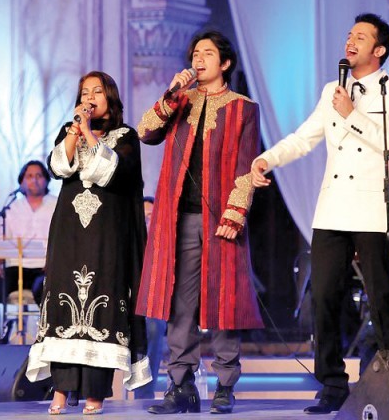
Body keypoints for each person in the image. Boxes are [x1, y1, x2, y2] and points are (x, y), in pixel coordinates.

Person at [250, 13, 389, 414]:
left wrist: (352, 115)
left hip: (373, 208)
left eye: (361, 36)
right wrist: (267, 159)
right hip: (333, 209)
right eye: (349, 35)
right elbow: (304, 137)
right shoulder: (333, 90)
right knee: (324, 297)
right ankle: (332, 384)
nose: (351, 41)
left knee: (381, 299)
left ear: (379, 50)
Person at [136, 30, 264, 415]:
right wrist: (171, 93)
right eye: (195, 53)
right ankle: (180, 384)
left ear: (225, 63)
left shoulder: (243, 108)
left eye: (207, 53)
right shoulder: (180, 100)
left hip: (221, 218)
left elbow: (246, 165)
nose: (198, 58)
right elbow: (145, 131)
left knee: (224, 298)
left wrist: (235, 213)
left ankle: (225, 384)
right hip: (179, 218)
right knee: (180, 302)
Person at [25, 71, 151, 415]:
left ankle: (96, 391)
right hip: (69, 234)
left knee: (103, 305)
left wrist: (88, 134)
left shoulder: (126, 136)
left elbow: (110, 172)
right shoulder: (70, 131)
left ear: (110, 97)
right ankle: (61, 390)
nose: (90, 97)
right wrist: (75, 130)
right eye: (84, 92)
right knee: (63, 303)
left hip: (107, 235)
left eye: (97, 91)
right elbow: (59, 167)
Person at [0, 160, 57, 303]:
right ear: (21, 182)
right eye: (29, 176)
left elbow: (65, 240)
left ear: (46, 180)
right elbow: (0, 241)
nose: (34, 180)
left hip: (45, 268)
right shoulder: (12, 208)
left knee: (45, 289)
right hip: (16, 267)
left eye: (39, 176)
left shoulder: (57, 205)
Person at [134, 197, 168, 400]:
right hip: (125, 306)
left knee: (154, 326)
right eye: (144, 217)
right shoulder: (126, 244)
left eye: (152, 218)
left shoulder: (165, 248)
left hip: (155, 307)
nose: (148, 223)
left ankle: (144, 394)